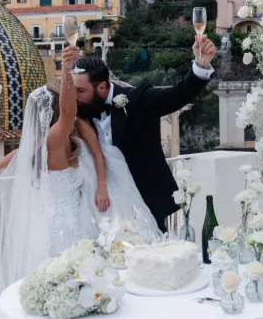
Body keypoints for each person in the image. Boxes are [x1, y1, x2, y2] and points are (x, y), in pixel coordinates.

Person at [0, 45, 161, 319]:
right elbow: (67, 113)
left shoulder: (46, 143)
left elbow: (19, 151)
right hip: (72, 224)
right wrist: (65, 71)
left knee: (57, 284)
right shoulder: (58, 136)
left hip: (47, 223)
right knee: (81, 279)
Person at [74, 35, 217, 232]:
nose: (75, 97)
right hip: (104, 201)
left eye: (80, 90)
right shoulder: (79, 111)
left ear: (102, 86)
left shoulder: (137, 99)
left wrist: (201, 64)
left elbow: (177, 95)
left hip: (145, 198)